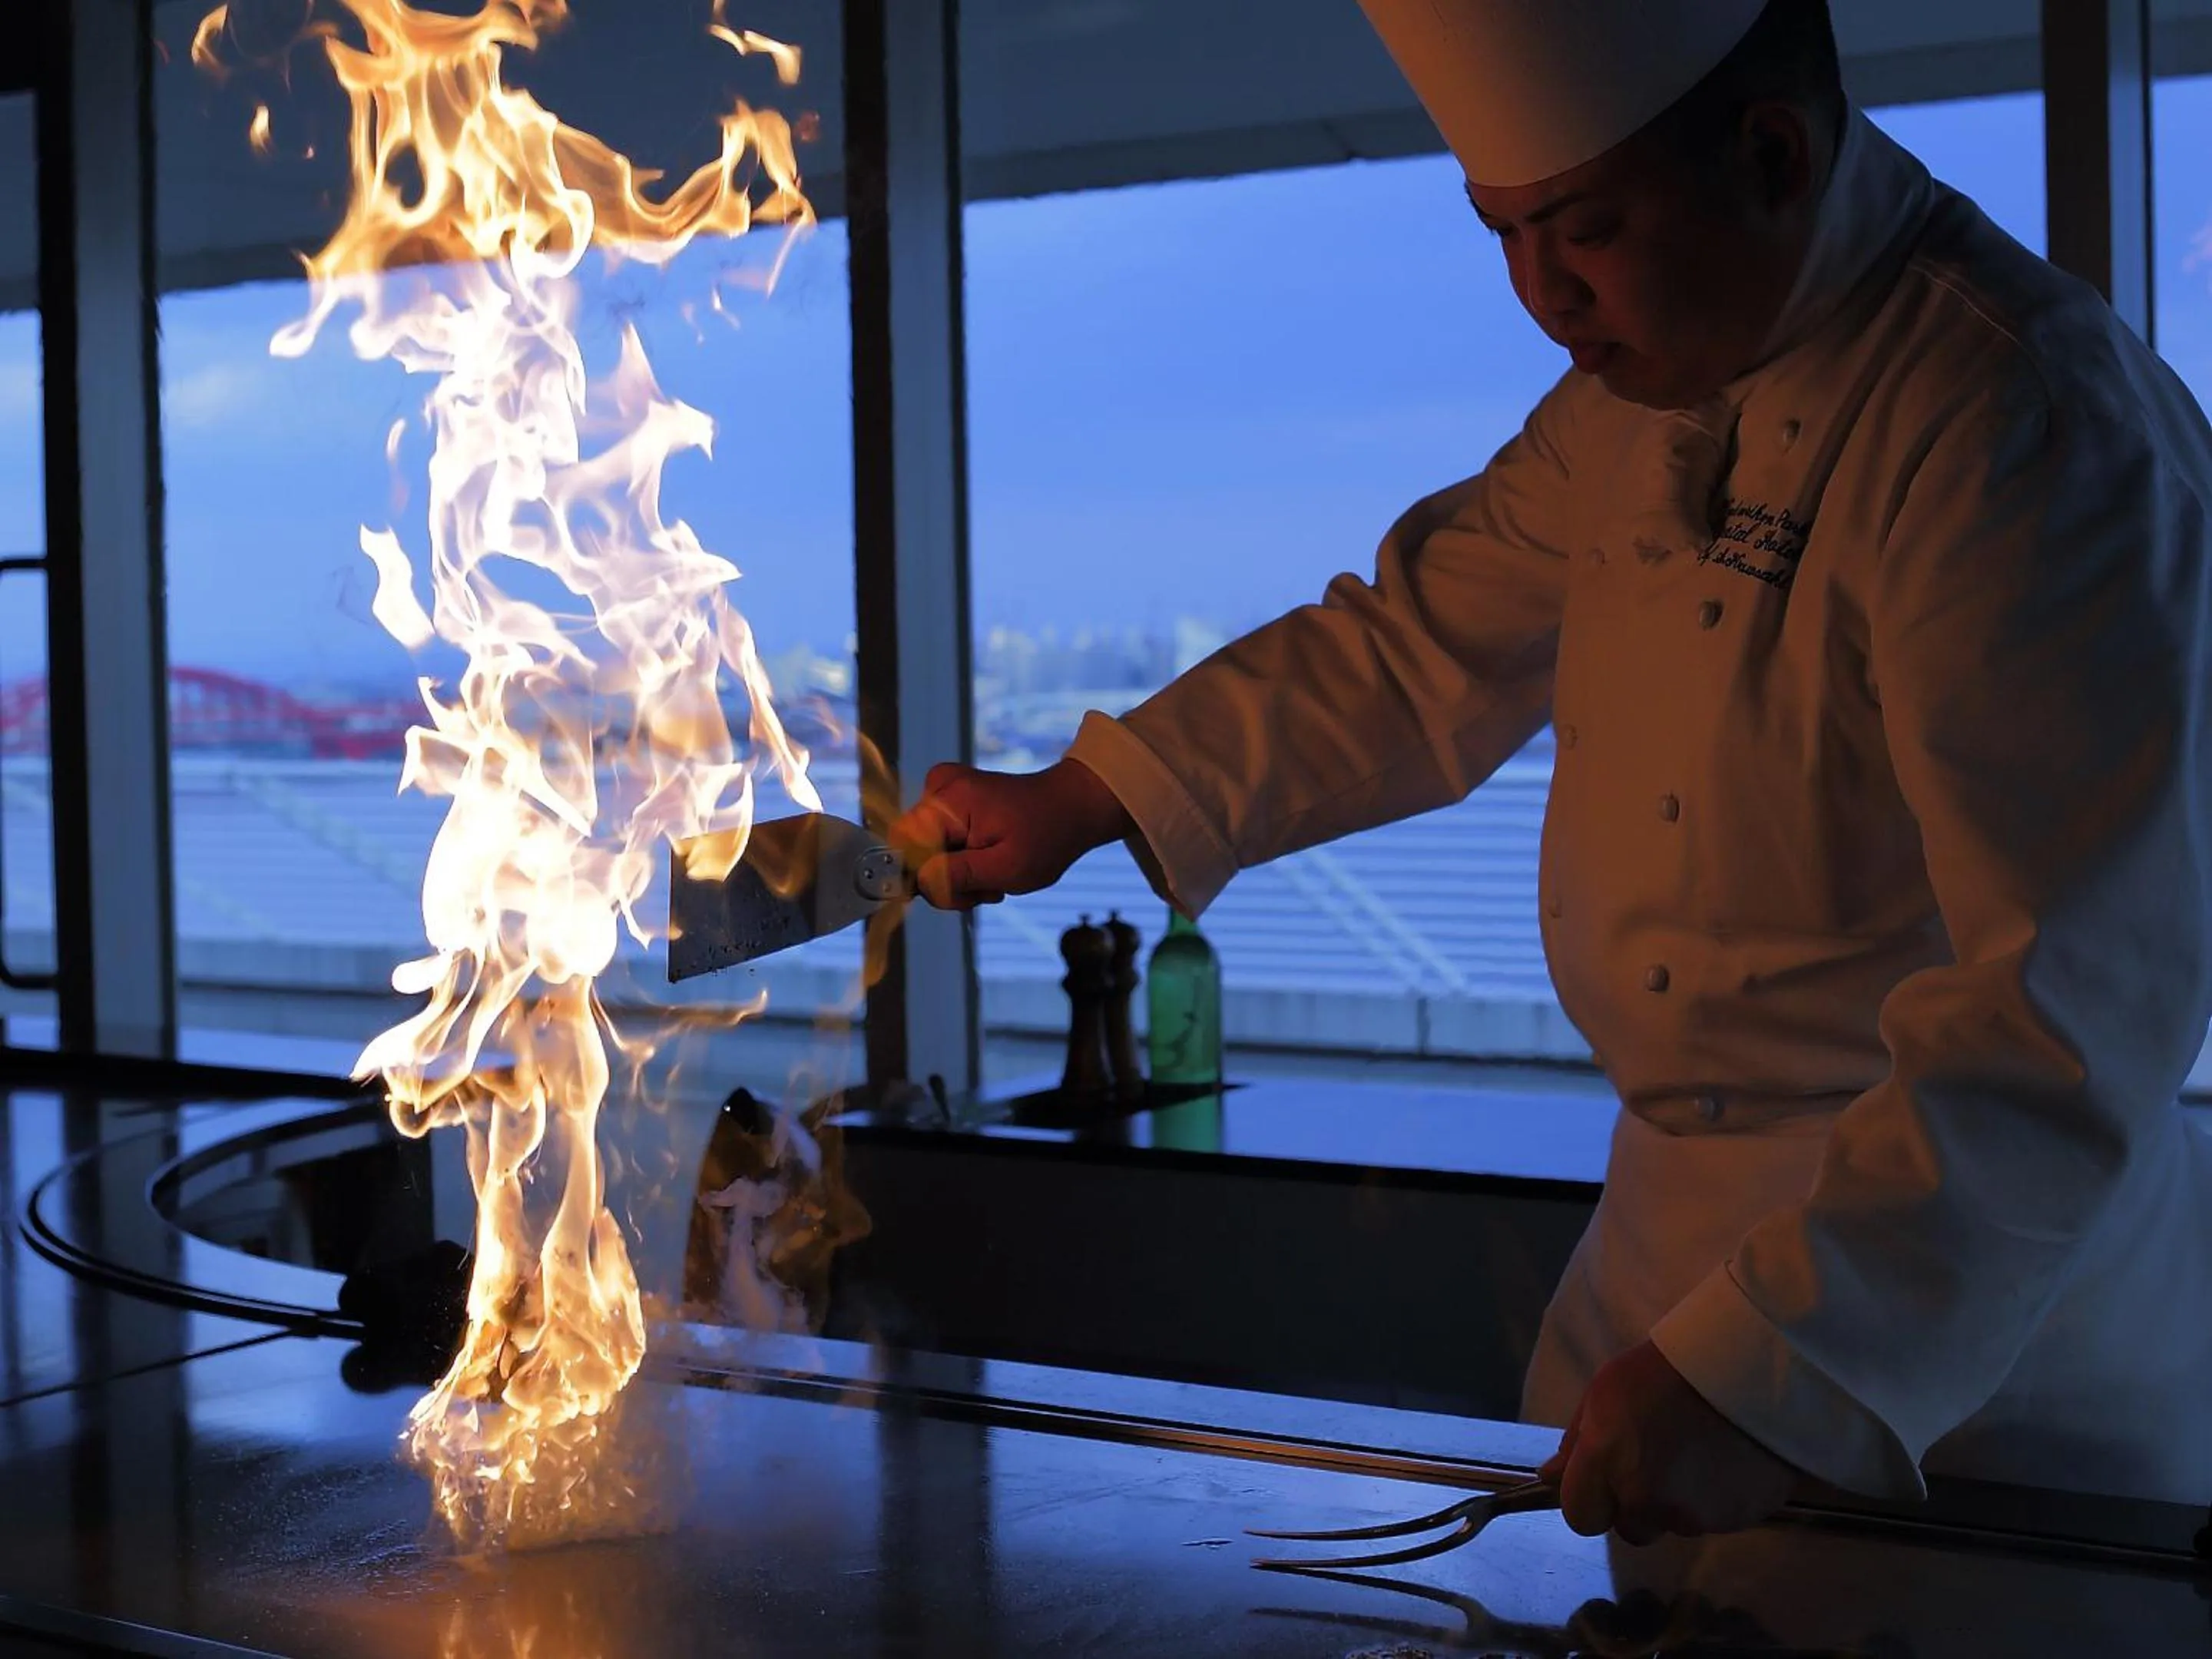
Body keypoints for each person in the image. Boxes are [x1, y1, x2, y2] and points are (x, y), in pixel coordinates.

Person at [891, 0, 2212, 1541]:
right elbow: (1410, 650)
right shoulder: (1627, 410)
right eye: (1502, 236)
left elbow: (2066, 1007)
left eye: (1585, 230)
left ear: (1772, 155)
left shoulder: (2021, 420)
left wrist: (1776, 1368)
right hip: (1660, 1257)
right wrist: (1083, 800)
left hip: (1971, 1337)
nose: (1541, 295)